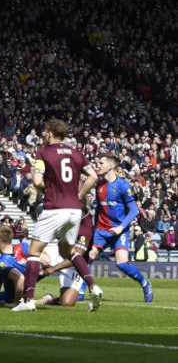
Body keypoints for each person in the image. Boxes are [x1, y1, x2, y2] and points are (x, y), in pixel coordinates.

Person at [12, 119, 101, 312]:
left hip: (55, 207)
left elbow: (36, 182)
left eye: (45, 132)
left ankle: (27, 301)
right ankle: (93, 286)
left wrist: (52, 189)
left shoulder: (43, 153)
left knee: (34, 253)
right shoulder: (77, 153)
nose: (44, 134)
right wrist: (78, 195)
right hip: (74, 211)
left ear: (51, 133)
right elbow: (93, 176)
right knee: (69, 252)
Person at [88, 154, 153, 302]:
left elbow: (134, 210)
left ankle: (145, 283)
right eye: (96, 162)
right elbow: (99, 207)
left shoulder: (123, 186)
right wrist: (94, 225)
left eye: (100, 163)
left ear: (110, 166)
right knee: (88, 257)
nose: (97, 165)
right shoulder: (99, 185)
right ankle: (80, 290)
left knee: (122, 264)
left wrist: (121, 227)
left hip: (119, 230)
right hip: (101, 229)